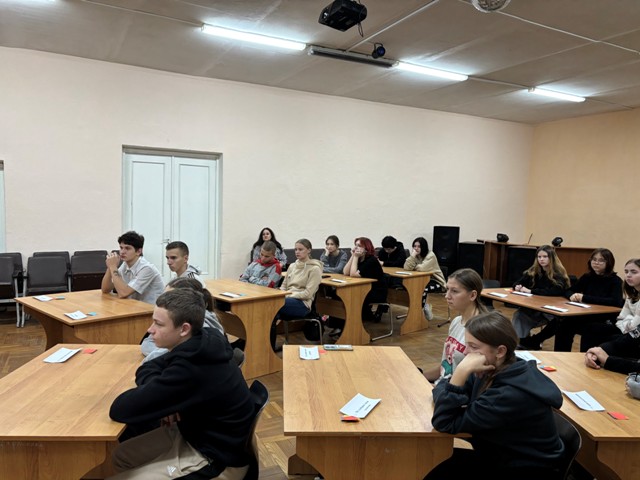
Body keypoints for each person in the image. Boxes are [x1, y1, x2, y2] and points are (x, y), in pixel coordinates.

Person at [108, 289, 254, 480]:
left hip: (215, 458)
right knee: (120, 456)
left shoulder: (192, 368)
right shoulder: (203, 338)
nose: (150, 329)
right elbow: (150, 366)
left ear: (184, 329)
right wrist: (163, 393)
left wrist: (162, 393)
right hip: (193, 433)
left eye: (159, 324)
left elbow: (119, 409)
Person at [426, 311, 565, 480]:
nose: (466, 352)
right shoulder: (491, 367)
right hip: (500, 455)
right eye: (467, 344)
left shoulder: (507, 395)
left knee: (431, 465)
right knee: (431, 461)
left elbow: (444, 422)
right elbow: (443, 386)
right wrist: (458, 380)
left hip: (526, 470)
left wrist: (461, 372)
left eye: (474, 346)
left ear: (500, 351)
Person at [141, 277, 225, 364]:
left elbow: (155, 356)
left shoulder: (203, 328)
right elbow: (147, 343)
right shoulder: (172, 317)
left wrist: (166, 349)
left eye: (171, 298)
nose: (165, 300)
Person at [423, 268, 487, 383]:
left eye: (454, 291)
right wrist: (419, 377)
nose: (447, 296)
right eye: (447, 289)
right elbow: (447, 366)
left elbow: (472, 381)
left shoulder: (481, 330)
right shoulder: (457, 321)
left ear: (472, 295)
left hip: (452, 390)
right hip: (442, 384)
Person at [554, 248, 624, 352]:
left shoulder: (616, 281)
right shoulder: (587, 277)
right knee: (564, 323)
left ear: (609, 263)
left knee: (590, 329)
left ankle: (584, 357)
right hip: (585, 314)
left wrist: (584, 297)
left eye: (601, 260)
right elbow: (569, 290)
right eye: (594, 259)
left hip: (603, 318)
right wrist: (572, 295)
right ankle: (561, 355)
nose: (596, 263)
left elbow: (615, 302)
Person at [511, 245, 570, 350]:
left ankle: (535, 341)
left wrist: (531, 291)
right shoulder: (533, 271)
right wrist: (517, 286)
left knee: (560, 322)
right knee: (519, 315)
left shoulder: (558, 274)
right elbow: (518, 282)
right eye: (539, 257)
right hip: (534, 307)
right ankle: (520, 342)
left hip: (551, 310)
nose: (541, 259)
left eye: (545, 257)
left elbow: (555, 291)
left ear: (551, 258)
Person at [270, 238, 322, 351]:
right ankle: (267, 347)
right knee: (269, 311)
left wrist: (287, 295)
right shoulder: (292, 266)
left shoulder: (315, 269)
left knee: (272, 307)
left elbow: (307, 294)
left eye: (300, 249)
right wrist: (281, 294)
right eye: (295, 249)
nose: (297, 252)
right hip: (288, 299)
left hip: (303, 304)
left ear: (309, 250)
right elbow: (284, 286)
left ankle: (269, 348)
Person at [580, 257, 640, 349]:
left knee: (607, 342)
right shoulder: (632, 294)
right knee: (590, 328)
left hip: (635, 336)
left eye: (634, 272)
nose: (628, 275)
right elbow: (620, 319)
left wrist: (628, 320)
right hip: (624, 329)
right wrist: (629, 320)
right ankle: (585, 355)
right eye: (626, 272)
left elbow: (634, 326)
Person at [101, 231, 165, 305]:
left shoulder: (147, 268)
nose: (122, 252)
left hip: (152, 309)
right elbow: (105, 289)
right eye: (121, 248)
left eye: (127, 248)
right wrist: (110, 267)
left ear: (138, 251)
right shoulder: (125, 265)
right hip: (135, 306)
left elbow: (123, 293)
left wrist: (113, 267)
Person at [343, 237, 387, 323]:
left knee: (350, 295)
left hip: (376, 291)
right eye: (355, 245)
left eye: (359, 246)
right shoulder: (359, 258)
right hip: (364, 289)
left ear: (366, 249)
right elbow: (346, 272)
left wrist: (355, 257)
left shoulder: (371, 260)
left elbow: (353, 275)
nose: (356, 248)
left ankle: (353, 321)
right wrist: (353, 256)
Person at [403, 236, 446, 321]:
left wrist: (414, 266)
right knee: (412, 287)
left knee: (422, 289)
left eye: (419, 246)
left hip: (437, 281)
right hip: (421, 280)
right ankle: (416, 310)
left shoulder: (431, 255)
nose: (416, 248)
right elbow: (406, 267)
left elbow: (422, 268)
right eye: (414, 246)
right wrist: (412, 257)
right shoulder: (415, 255)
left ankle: (420, 310)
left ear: (424, 247)